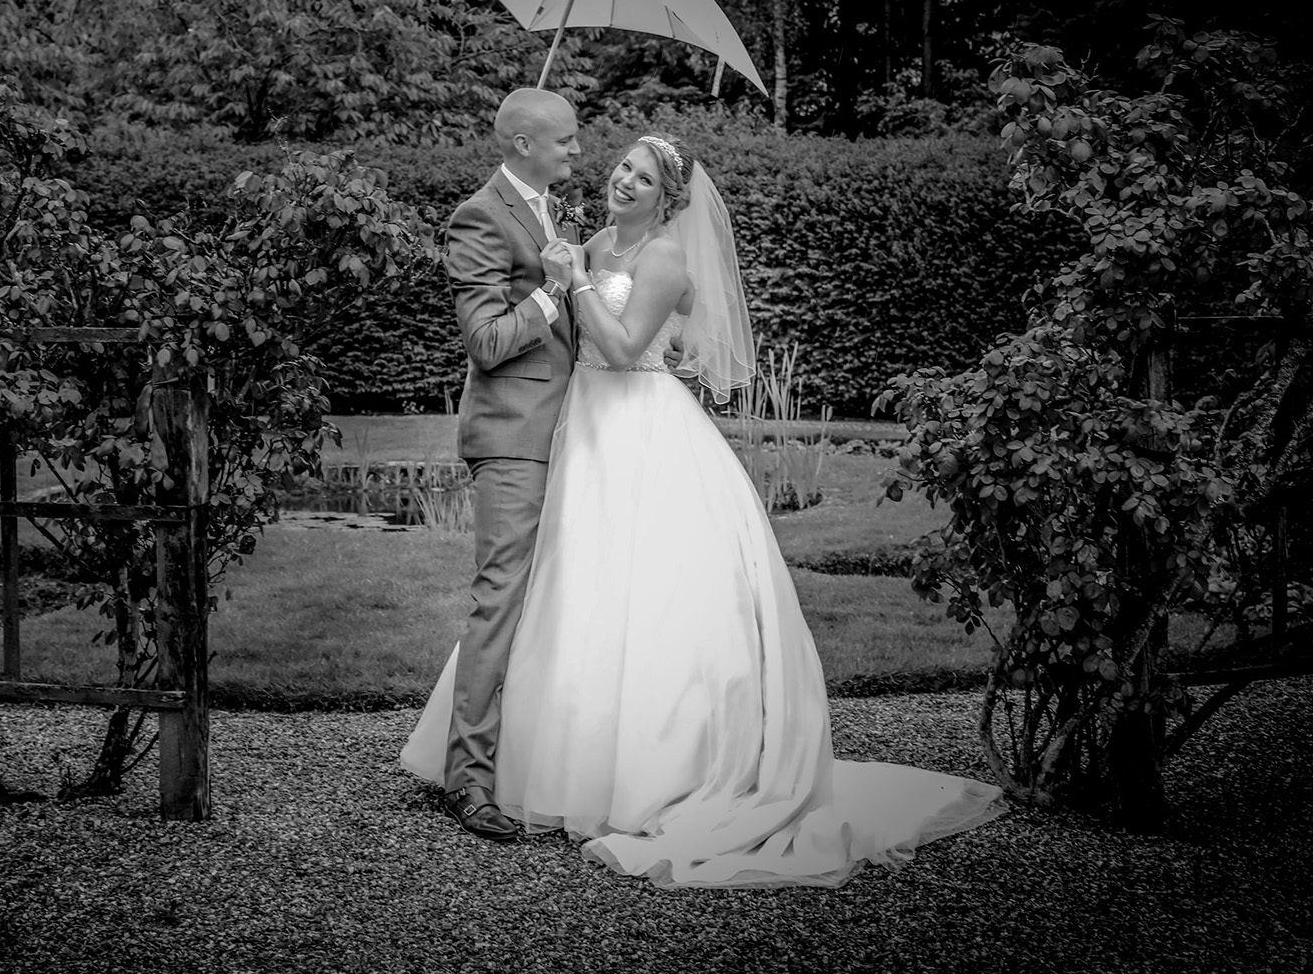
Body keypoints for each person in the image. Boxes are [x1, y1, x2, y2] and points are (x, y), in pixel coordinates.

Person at [402, 132, 1007, 887]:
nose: (626, 181)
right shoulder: (590, 243)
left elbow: (623, 350)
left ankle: (650, 773)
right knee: (567, 587)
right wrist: (567, 274)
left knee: (651, 593)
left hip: (640, 425)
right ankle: (536, 759)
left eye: (645, 178)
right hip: (580, 427)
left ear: (669, 200)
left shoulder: (663, 258)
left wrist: (575, 283)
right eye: (624, 167)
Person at [434, 87, 585, 841]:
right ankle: (468, 780)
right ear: (523, 144)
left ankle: (543, 763)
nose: (578, 150)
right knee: (500, 599)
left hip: (576, 434)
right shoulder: (480, 216)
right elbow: (487, 341)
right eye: (565, 140)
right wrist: (554, 289)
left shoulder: (559, 215)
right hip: (514, 436)